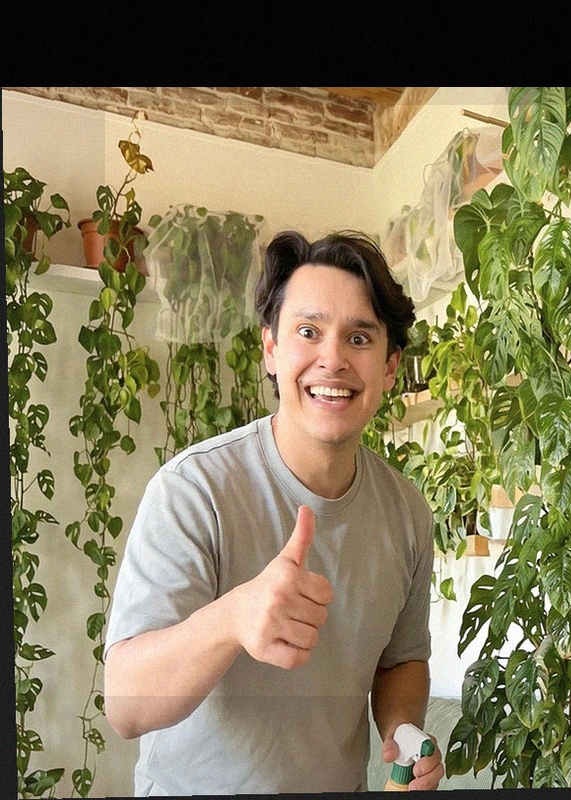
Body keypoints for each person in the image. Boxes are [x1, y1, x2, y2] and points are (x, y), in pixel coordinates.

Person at [104, 231, 445, 794]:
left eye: (359, 338)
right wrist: (234, 618)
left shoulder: (407, 511)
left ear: (389, 367)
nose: (332, 359)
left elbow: (400, 661)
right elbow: (125, 706)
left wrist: (403, 731)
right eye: (309, 332)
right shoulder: (193, 490)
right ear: (270, 349)